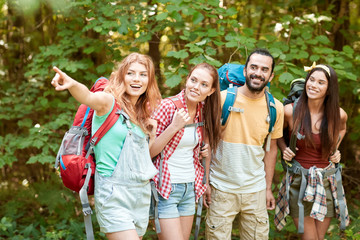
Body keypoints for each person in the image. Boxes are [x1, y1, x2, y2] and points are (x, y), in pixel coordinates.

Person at [51, 53, 162, 240]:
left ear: (149, 80)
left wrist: (151, 135)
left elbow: (142, 159)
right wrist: (71, 84)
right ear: (122, 77)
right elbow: (87, 96)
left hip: (140, 195)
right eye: (131, 73)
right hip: (113, 195)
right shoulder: (108, 103)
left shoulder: (141, 114)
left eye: (143, 74)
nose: (137, 79)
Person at [205, 49, 284, 240]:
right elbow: (206, 141)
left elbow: (272, 151)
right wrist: (205, 182)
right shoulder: (222, 99)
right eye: (254, 67)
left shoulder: (276, 108)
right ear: (245, 70)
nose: (258, 73)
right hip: (220, 188)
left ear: (271, 75)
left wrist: (267, 189)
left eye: (264, 69)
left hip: (255, 190)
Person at [275, 63, 350, 239]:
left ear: (329, 89)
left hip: (327, 182)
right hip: (299, 182)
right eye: (311, 80)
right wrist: (284, 148)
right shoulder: (290, 112)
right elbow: (276, 135)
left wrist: (335, 148)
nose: (314, 85)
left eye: (321, 82)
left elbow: (342, 129)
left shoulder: (338, 115)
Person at [149, 63, 222, 240]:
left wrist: (205, 183)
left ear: (211, 91)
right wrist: (174, 127)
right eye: (193, 80)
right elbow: (149, 152)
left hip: (189, 187)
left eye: (204, 84)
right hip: (166, 188)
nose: (196, 87)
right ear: (187, 79)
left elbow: (203, 150)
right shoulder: (167, 107)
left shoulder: (203, 112)